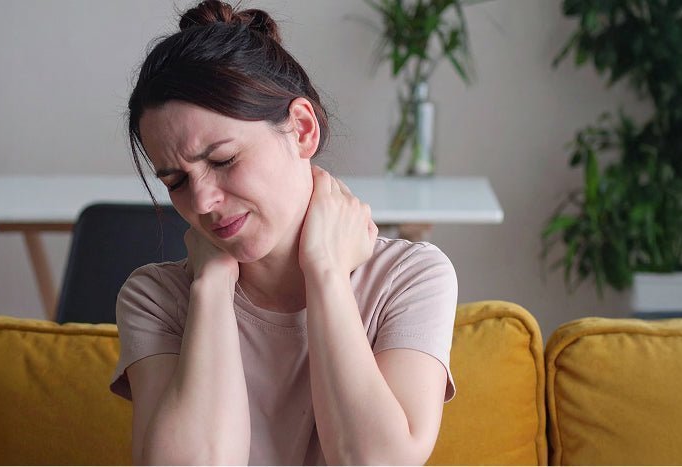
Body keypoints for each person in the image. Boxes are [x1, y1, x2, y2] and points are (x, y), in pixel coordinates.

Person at [109, 1, 458, 464]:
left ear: (302, 129)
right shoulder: (156, 298)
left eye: (223, 160)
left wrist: (327, 272)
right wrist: (211, 288)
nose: (202, 202)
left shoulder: (409, 278)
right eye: (176, 181)